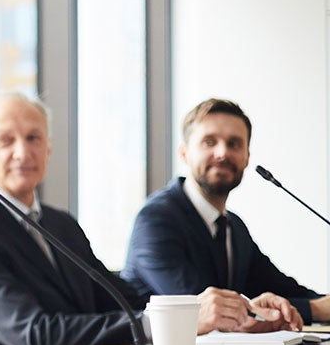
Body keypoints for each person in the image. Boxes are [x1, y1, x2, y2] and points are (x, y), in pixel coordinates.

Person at [0, 92, 291, 345]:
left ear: (49, 148)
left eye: (33, 138)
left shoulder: (60, 225)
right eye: (6, 140)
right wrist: (182, 320)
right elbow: (35, 334)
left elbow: (122, 300)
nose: (22, 152)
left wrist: (238, 310)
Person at [122, 98, 326, 327]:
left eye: (234, 144)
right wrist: (316, 309)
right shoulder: (155, 220)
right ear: (184, 153)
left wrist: (322, 303)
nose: (222, 153)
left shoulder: (233, 227)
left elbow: (280, 288)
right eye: (209, 142)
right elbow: (205, 307)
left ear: (247, 156)